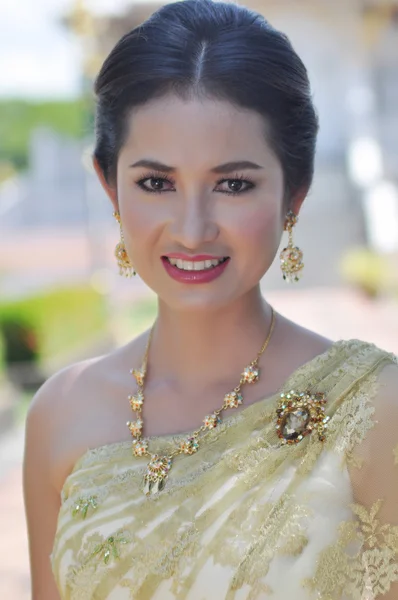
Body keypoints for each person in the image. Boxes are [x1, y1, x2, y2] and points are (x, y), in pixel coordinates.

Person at [23, 0, 398, 598]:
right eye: (156, 183)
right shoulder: (61, 414)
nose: (192, 229)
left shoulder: (374, 405)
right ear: (110, 187)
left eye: (233, 184)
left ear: (293, 195)